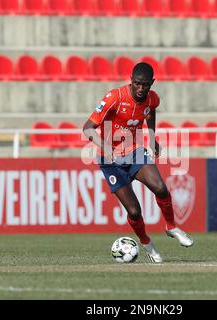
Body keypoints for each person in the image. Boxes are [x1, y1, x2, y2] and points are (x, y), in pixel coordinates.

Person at [82, 62, 193, 263]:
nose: (141, 89)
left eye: (145, 85)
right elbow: (88, 128)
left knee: (160, 188)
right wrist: (105, 147)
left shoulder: (152, 98)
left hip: (134, 152)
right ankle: (147, 244)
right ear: (130, 80)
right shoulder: (114, 97)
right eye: (137, 84)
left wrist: (152, 137)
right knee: (134, 210)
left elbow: (150, 111)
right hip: (111, 161)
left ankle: (171, 227)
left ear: (152, 83)